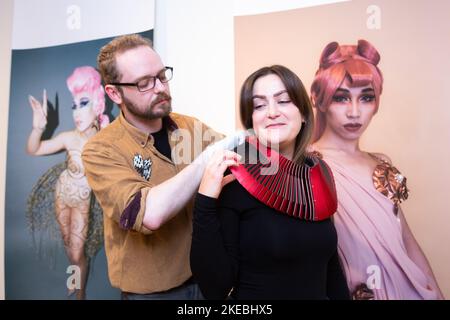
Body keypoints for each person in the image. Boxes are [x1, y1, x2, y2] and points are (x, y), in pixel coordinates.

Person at [81, 34, 244, 300]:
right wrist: (207, 159)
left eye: (161, 75)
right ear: (114, 93)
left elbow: (239, 161)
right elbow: (149, 214)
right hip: (152, 294)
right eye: (144, 82)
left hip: (207, 281)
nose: (159, 87)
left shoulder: (188, 126)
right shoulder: (100, 150)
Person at [190, 65, 350, 300]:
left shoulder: (318, 172)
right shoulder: (235, 177)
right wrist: (204, 201)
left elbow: (331, 268)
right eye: (259, 105)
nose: (272, 112)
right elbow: (215, 288)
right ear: (251, 121)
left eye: (283, 101)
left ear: (304, 114)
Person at [309, 39, 444, 299]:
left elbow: (406, 239)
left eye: (366, 98)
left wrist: (436, 292)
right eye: (342, 98)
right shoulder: (307, 164)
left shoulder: (381, 163)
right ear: (320, 100)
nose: (355, 112)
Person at [26, 66, 109, 300]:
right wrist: (37, 128)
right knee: (67, 246)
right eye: (74, 105)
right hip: (61, 195)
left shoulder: (108, 137)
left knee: (76, 252)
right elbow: (34, 149)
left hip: (83, 202)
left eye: (83, 103)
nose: (77, 112)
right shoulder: (69, 137)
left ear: (98, 103)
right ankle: (74, 281)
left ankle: (80, 294)